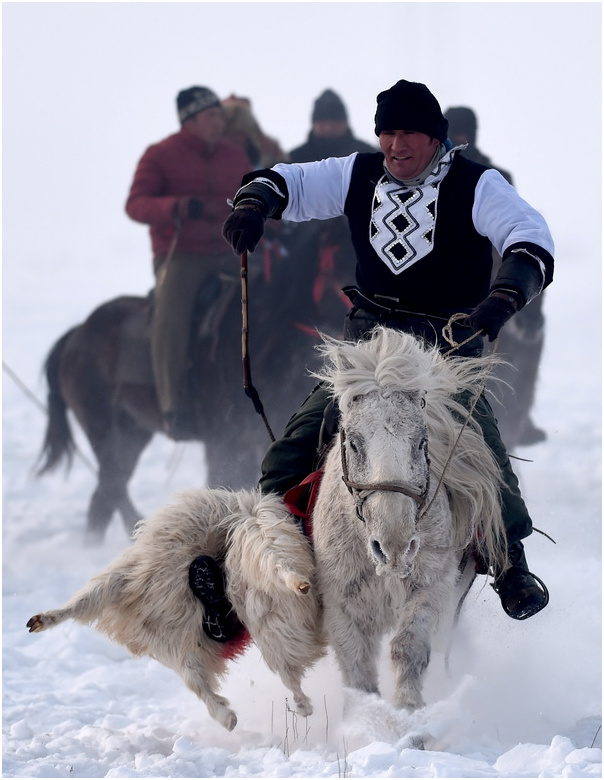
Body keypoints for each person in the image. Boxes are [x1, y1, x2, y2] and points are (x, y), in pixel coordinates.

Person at [218, 79, 555, 636]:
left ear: (435, 137)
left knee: (483, 454)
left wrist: (505, 294)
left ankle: (509, 562)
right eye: (388, 132)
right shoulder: (357, 173)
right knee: (290, 450)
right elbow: (288, 182)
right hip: (369, 350)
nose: (397, 144)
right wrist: (256, 204)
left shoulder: (477, 183)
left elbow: (529, 236)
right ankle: (265, 559)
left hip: (447, 352)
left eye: (410, 133)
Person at [125, 86, 251, 441]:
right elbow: (136, 204)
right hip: (181, 255)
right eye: (211, 115)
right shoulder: (159, 154)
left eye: (219, 115)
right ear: (190, 120)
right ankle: (173, 407)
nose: (218, 121)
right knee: (171, 319)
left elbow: (252, 193)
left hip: (229, 251)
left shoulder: (234, 155)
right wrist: (176, 207)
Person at [445, 106, 547, 447]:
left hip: (491, 273)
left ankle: (518, 416)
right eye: (454, 133)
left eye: (464, 133)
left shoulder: (495, 176)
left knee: (529, 335)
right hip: (446, 277)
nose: (460, 141)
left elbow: (517, 233)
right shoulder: (430, 178)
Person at [289, 88, 376, 163]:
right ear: (314, 123)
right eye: (323, 121)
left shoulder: (368, 156)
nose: (329, 127)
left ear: (345, 123)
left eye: (334, 121)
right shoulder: (293, 160)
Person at [222, 94, 289, 169]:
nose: (235, 138)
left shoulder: (269, 148)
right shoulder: (217, 158)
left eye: (240, 133)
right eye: (229, 134)